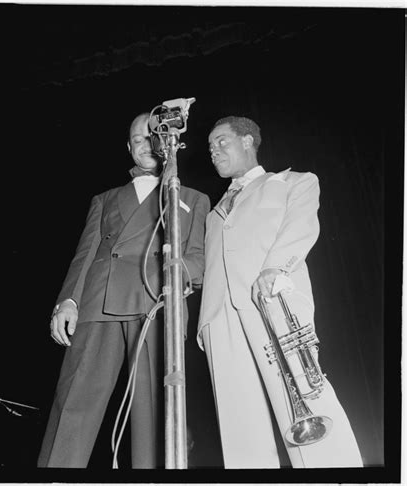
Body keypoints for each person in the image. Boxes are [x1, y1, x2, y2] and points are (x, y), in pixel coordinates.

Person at [38, 113, 210, 469]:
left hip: (157, 305)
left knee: (154, 414)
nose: (145, 145)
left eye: (152, 138)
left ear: (168, 143)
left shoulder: (193, 197)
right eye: (136, 140)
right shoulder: (105, 198)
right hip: (98, 304)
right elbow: (85, 254)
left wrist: (177, 275)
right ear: (128, 149)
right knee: (74, 404)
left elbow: (198, 259)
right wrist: (67, 301)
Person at [197, 116, 363, 468]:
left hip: (271, 299)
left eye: (221, 141)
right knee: (238, 422)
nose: (213, 151)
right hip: (220, 317)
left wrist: (276, 268)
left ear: (247, 141)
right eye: (210, 146)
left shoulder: (292, 182)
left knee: (305, 396)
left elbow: (301, 226)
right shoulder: (212, 214)